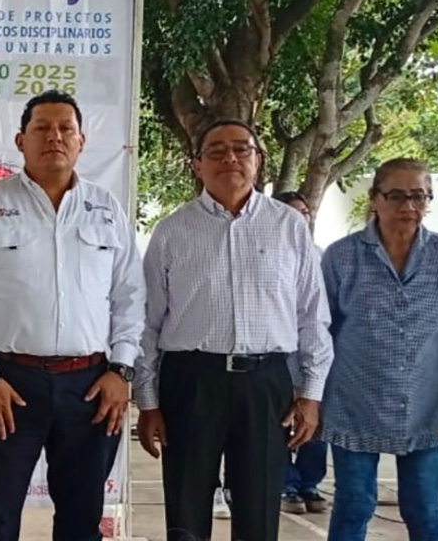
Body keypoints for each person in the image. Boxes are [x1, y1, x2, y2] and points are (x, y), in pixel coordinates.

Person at [0, 91, 145, 541]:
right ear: (21, 140)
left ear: (81, 141)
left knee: (81, 519)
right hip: (8, 385)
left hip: (92, 386)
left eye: (65, 129)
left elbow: (130, 296)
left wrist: (122, 369)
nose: (55, 137)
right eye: (42, 128)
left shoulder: (106, 208)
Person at [135, 119, 333, 541]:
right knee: (186, 512)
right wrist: (148, 402)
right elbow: (147, 324)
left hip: (266, 384)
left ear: (258, 160)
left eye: (242, 149)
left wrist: (311, 394)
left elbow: (313, 317)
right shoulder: (172, 231)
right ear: (197, 165)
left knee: (259, 511)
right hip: (191, 383)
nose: (230, 158)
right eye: (216, 150)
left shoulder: (289, 226)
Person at [320, 158, 438, 540]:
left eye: (419, 196)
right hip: (353, 401)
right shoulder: (342, 256)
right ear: (375, 198)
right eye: (396, 196)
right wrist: (309, 398)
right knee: (354, 504)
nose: (408, 206)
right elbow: (320, 331)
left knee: (425, 508)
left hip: (428, 405)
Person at [270, 190, 329, 515]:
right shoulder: (267, 254)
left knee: (314, 425)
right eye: (294, 212)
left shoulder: (322, 257)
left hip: (314, 355)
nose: (301, 218)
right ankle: (286, 484)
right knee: (280, 424)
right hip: (278, 357)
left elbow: (320, 315)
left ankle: (309, 482)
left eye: (305, 212)